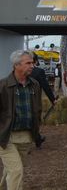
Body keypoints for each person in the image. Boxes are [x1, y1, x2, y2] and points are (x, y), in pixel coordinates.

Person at [0, 50, 42, 190]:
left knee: (13, 169)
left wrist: (36, 129)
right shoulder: (3, 85)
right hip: (6, 136)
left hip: (26, 136)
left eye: (33, 62)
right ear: (16, 65)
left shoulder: (34, 84)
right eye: (28, 63)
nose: (32, 65)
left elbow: (37, 108)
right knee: (16, 171)